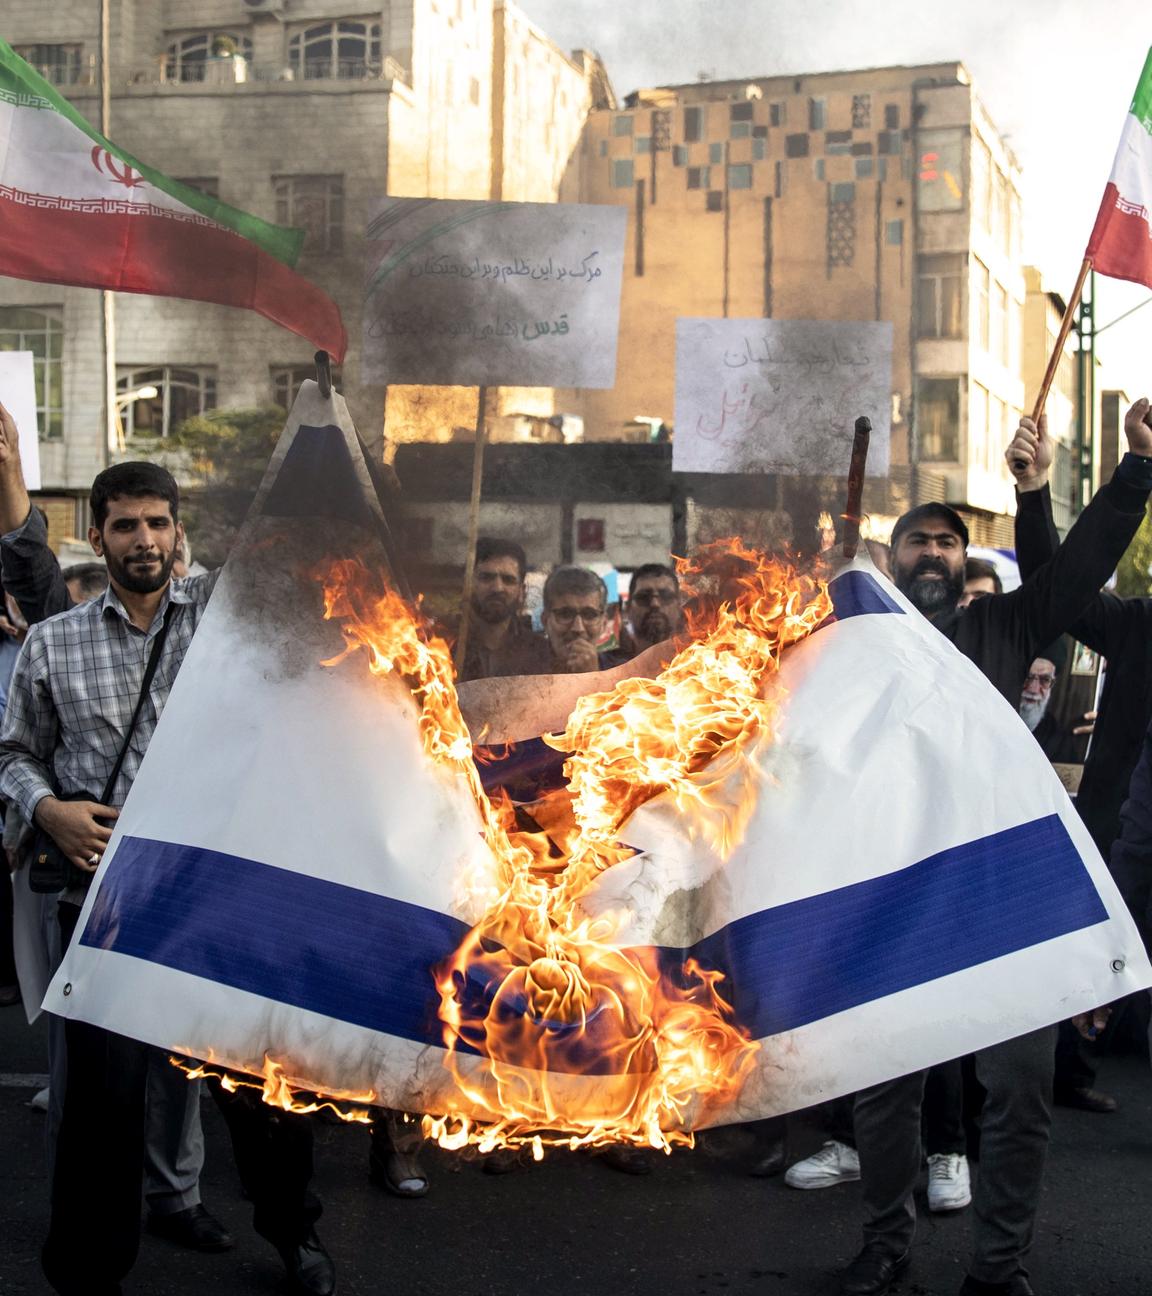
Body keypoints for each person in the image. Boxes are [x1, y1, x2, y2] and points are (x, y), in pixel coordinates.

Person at [0, 401, 336, 1296]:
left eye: (156, 522)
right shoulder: (52, 643)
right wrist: (49, 812)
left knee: (264, 1096)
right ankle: (87, 1270)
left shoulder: (229, 621)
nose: (142, 539)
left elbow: (311, 584)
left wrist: (321, 434)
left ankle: (295, 1239)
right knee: (100, 1111)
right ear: (99, 538)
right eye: (123, 526)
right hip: (107, 903)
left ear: (178, 532)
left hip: (221, 901)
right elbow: (12, 753)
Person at [839, 408, 1152, 1296]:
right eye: (916, 542)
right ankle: (883, 1245)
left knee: (1020, 1091)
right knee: (884, 1087)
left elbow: (1081, 566)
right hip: (893, 890)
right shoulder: (855, 645)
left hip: (1004, 888)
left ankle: (998, 1266)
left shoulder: (1006, 630)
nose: (932, 552)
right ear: (891, 561)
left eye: (947, 541)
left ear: (963, 563)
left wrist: (1132, 471)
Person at [457, 538, 550, 681]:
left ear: (522, 591)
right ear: (468, 584)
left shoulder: (541, 653)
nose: (497, 588)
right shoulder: (439, 645)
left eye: (508, 580)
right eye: (486, 577)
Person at [541, 566, 615, 673]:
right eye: (565, 614)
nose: (578, 628)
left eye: (589, 615)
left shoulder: (623, 674)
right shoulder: (522, 670)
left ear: (604, 624)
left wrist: (593, 677)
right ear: (545, 621)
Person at [620, 563, 684, 659]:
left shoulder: (699, 662)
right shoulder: (605, 665)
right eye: (644, 597)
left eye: (665, 596)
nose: (655, 604)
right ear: (628, 608)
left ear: (679, 607)